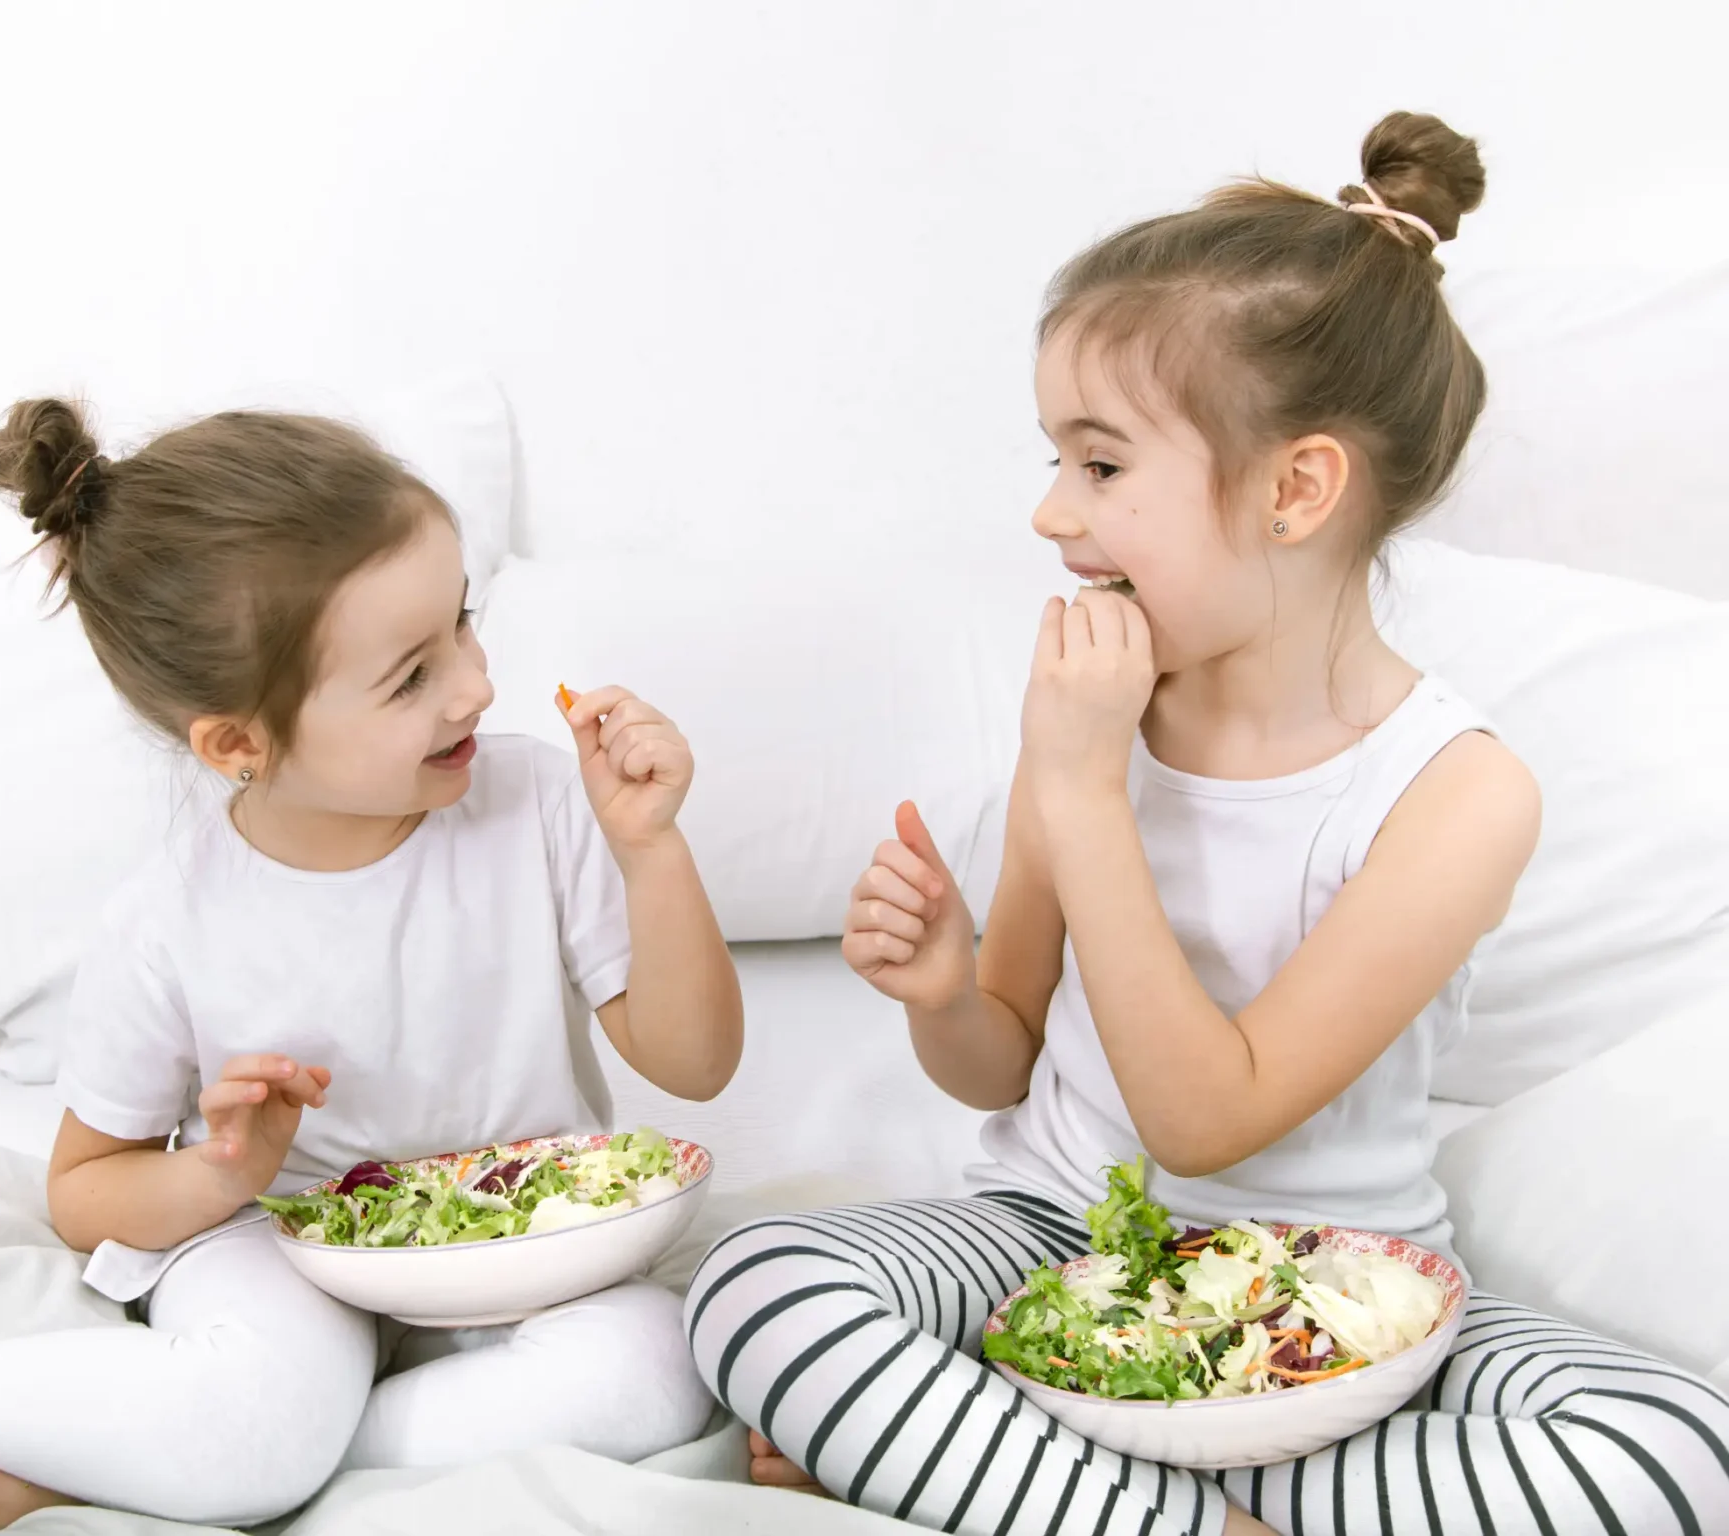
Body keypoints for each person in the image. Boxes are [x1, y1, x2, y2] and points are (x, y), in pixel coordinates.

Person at [686, 111, 1729, 1535]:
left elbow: (1202, 1117)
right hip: (1046, 1250)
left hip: (1343, 1297)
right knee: (763, 1286)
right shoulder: (1090, 721)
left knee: (1669, 1446)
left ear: (1297, 489)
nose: (1053, 514)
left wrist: (1079, 791)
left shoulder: (1462, 793)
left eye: (1102, 465)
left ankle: (1029, 1468)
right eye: (1056, 459)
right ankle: (1183, 1496)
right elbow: (1001, 1064)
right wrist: (942, 992)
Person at [0, 401, 740, 1536]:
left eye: (463, 625)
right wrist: (224, 1172)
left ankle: (118, 1464)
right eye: (410, 676)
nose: (475, 686)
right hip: (276, 1244)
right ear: (239, 744)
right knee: (261, 1403)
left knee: (656, 1367)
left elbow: (693, 1065)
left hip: (516, 1245)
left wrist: (650, 849)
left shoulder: (533, 804)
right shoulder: (171, 917)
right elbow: (87, 1190)